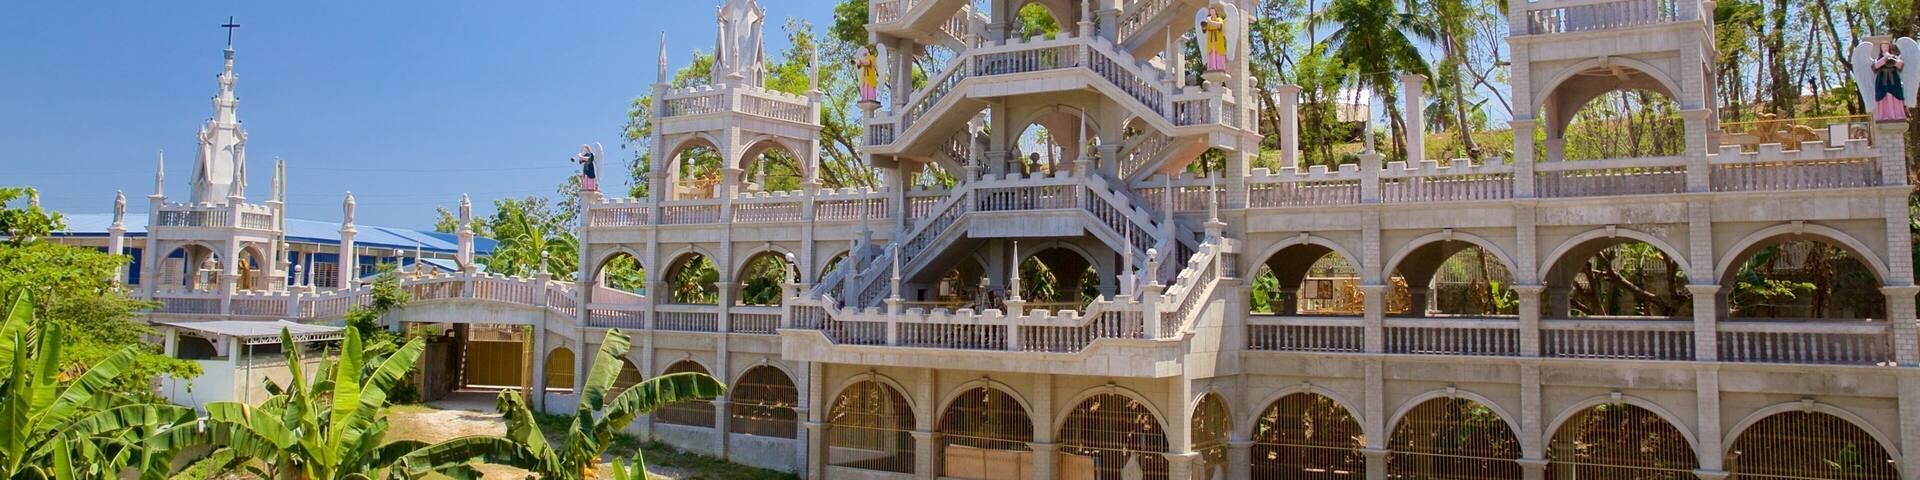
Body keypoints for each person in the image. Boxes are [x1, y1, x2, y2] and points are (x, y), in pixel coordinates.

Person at [1874, 42, 1907, 122]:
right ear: (1881, 48)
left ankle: (1898, 115)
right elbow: (1874, 67)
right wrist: (1884, 59)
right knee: (1883, 97)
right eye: (1883, 46)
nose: (1885, 48)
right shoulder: (1878, 58)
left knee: (1896, 96)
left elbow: (1900, 65)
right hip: (1882, 80)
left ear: (1889, 47)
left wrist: (1892, 60)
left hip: (1894, 79)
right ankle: (1884, 115)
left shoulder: (1895, 57)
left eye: (1886, 46)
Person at [1200, 7, 1228, 71]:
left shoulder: (1219, 19)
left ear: (1215, 12)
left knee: (1219, 52)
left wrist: (1210, 21)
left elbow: (1219, 25)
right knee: (1211, 53)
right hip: (1210, 41)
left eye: (1213, 11)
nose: (1211, 13)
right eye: (1210, 12)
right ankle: (1212, 67)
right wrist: (1204, 25)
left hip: (1218, 40)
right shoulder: (1208, 21)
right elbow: (1204, 31)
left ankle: (1220, 67)